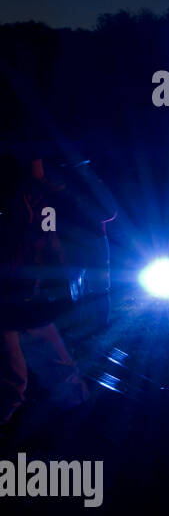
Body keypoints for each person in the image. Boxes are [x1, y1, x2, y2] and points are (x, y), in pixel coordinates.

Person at [0, 152, 90, 426]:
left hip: (29, 299)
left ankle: (83, 428)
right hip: (10, 302)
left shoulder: (39, 196)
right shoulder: (18, 198)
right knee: (13, 382)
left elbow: (48, 242)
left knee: (62, 373)